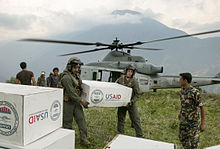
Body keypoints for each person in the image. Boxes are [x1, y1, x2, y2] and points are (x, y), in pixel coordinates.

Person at [61, 57, 90, 145]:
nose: (77, 70)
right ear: (70, 67)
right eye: (75, 68)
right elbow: (71, 93)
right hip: (68, 103)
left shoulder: (76, 77)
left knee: (81, 121)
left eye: (78, 68)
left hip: (76, 102)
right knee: (67, 123)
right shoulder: (66, 78)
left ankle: (83, 138)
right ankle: (67, 141)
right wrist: (82, 101)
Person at [178, 73, 205, 149]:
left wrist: (203, 124)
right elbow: (183, 104)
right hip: (184, 121)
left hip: (193, 122)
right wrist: (180, 113)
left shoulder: (194, 92)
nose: (179, 81)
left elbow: (202, 107)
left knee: (194, 143)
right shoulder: (182, 91)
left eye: (180, 79)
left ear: (185, 80)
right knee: (182, 138)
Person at [115, 64, 143, 137]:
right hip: (122, 103)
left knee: (136, 119)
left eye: (131, 71)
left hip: (131, 103)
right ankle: (120, 134)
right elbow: (115, 87)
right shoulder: (120, 79)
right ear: (126, 71)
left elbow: (137, 94)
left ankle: (140, 135)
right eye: (128, 71)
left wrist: (132, 101)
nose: (129, 73)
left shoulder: (134, 81)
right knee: (121, 118)